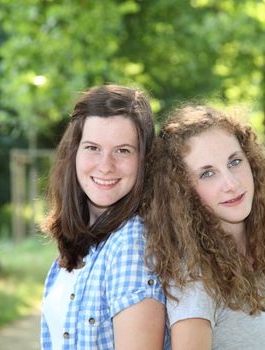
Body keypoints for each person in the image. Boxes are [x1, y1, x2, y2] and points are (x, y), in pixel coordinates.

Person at [142, 105, 265, 350]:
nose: (231, 183)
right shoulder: (196, 277)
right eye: (208, 173)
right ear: (183, 191)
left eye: (235, 162)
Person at [41, 84, 169, 350]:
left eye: (123, 150)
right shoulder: (85, 241)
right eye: (93, 148)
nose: (105, 165)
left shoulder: (131, 246)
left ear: (144, 160)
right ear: (73, 152)